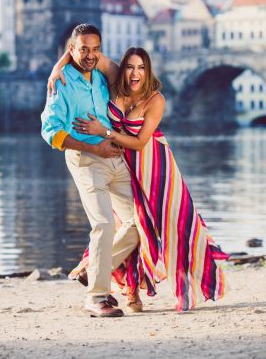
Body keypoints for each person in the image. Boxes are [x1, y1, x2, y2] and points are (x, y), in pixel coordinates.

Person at [48, 46, 229, 312]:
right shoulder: (114, 78)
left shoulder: (155, 100)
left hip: (153, 165)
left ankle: (106, 276)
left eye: (141, 68)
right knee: (128, 223)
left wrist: (105, 131)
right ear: (123, 68)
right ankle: (129, 290)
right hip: (120, 162)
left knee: (161, 225)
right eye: (131, 67)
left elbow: (140, 141)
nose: (135, 73)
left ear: (148, 71)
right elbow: (83, 51)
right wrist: (57, 67)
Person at [41, 24, 139, 318]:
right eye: (84, 49)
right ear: (71, 50)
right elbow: (50, 131)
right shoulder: (61, 84)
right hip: (86, 159)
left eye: (96, 49)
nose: (90, 55)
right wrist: (95, 148)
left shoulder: (100, 77)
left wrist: (60, 60)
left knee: (142, 221)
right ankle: (97, 298)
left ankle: (91, 268)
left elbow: (122, 70)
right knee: (104, 224)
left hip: (116, 158)